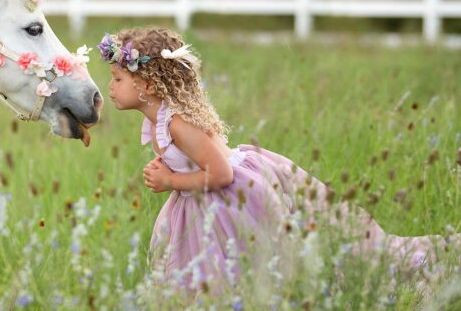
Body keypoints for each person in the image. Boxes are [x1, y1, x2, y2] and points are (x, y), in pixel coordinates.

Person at [97, 27, 456, 294]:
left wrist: (171, 182)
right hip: (200, 203)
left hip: (231, 197)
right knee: (203, 274)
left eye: (117, 78)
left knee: (257, 265)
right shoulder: (157, 118)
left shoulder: (177, 124)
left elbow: (220, 174)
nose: (110, 86)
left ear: (147, 84)